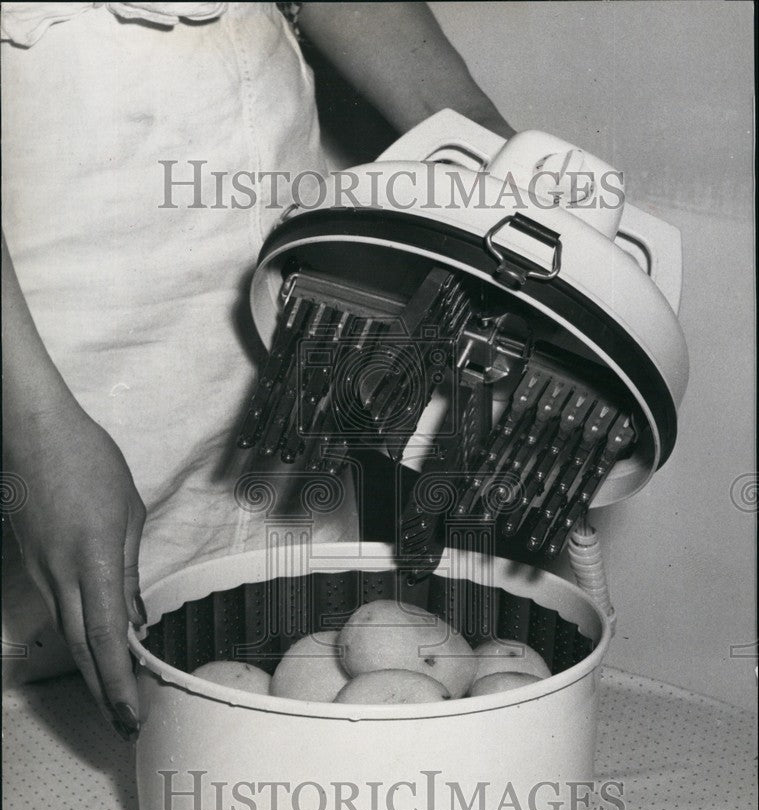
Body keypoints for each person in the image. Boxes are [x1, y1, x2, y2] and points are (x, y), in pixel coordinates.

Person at [2, 1, 515, 741]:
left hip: (264, 192)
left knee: (279, 651)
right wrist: (33, 432)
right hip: (47, 271)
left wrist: (480, 140)